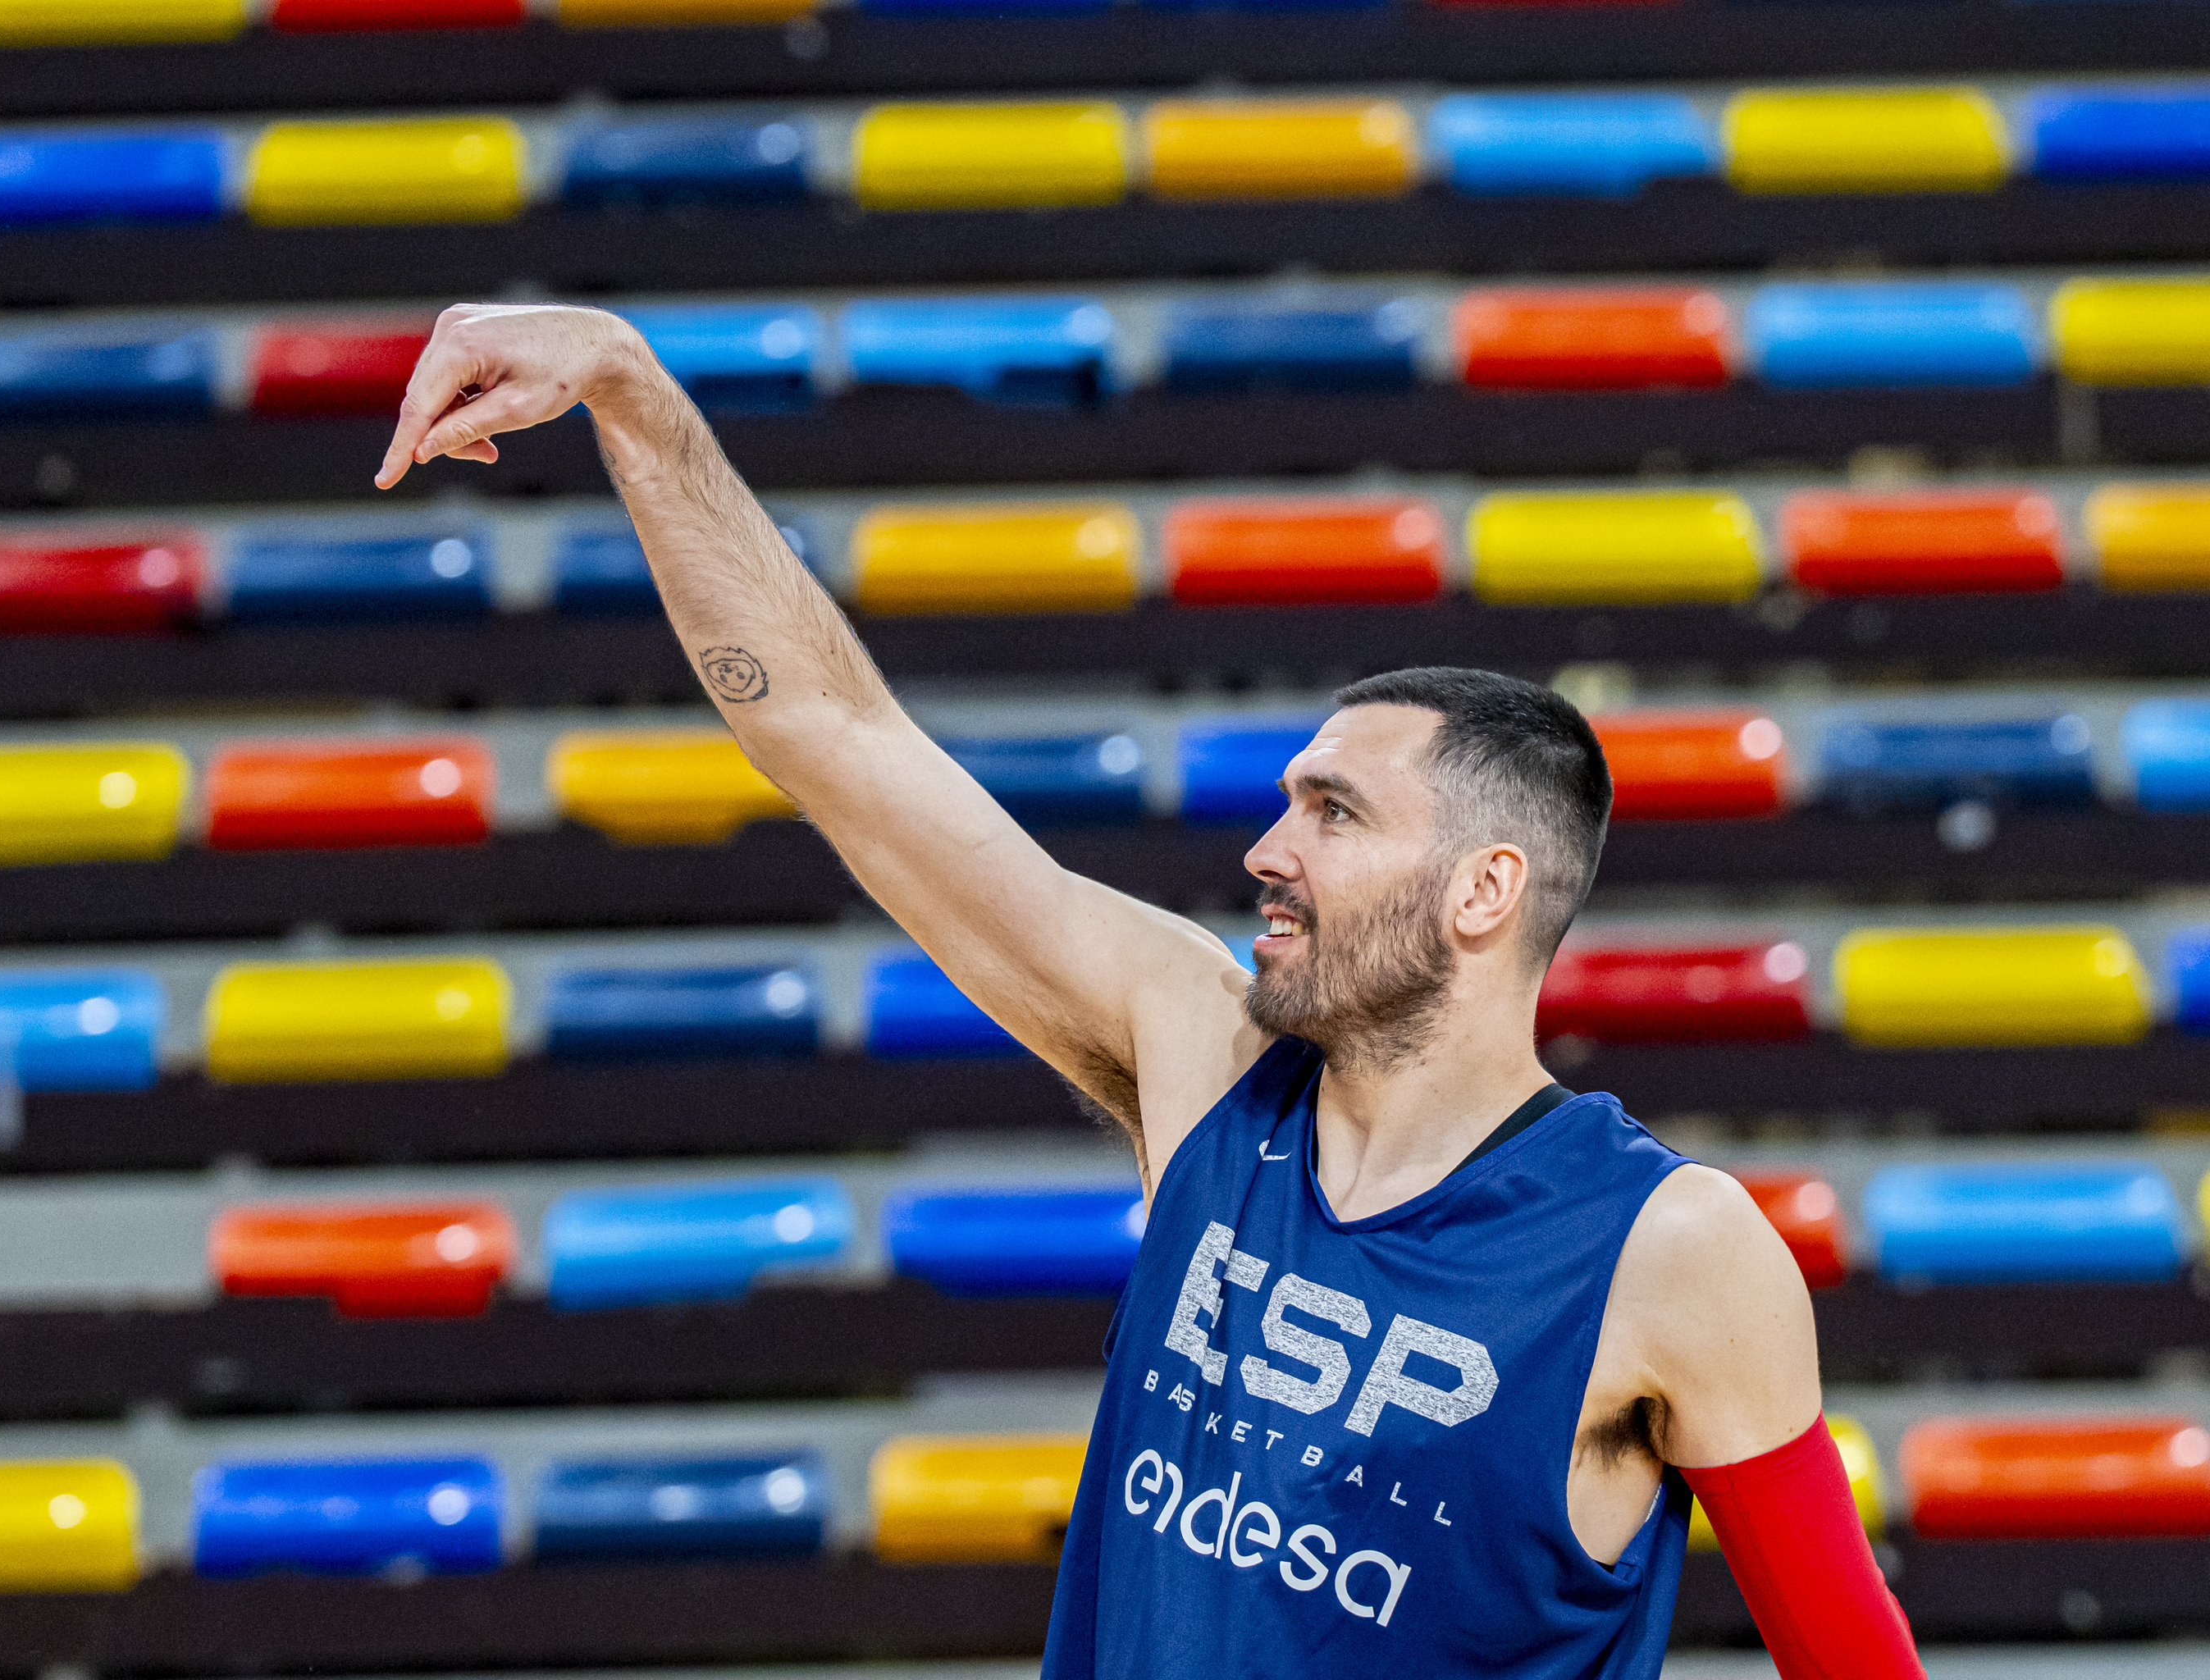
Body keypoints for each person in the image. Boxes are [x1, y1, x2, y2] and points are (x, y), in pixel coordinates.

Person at [375, 304, 1925, 1679]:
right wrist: (633, 394)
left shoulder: (1669, 1248)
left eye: (1333, 813)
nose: (1267, 850)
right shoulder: (1208, 1060)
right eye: (1286, 802)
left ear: (1483, 891)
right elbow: (835, 741)